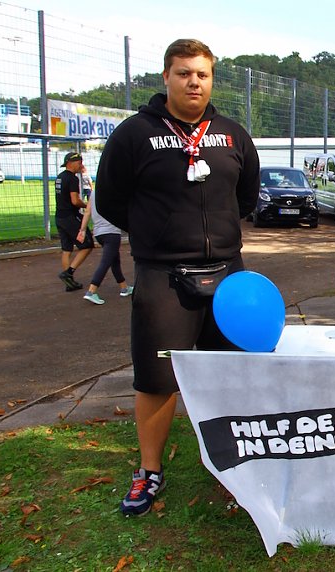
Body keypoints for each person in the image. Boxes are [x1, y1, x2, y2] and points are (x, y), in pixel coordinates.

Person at [95, 39, 260, 517]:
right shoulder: (134, 134)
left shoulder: (231, 134)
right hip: (163, 276)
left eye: (203, 74)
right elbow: (110, 200)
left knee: (234, 372)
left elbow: (245, 197)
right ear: (165, 76)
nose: (194, 82)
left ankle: (237, 467)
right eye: (184, 73)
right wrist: (158, 233)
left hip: (228, 275)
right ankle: (149, 471)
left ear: (212, 80)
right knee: (157, 380)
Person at [76, 182, 133, 305]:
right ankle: (91, 291)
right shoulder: (115, 191)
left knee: (114, 260)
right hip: (111, 232)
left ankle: (124, 287)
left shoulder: (94, 192)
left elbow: (87, 212)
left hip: (99, 233)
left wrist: (82, 230)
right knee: (106, 262)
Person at [55, 152, 94, 292]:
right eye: (79, 162)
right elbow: (75, 200)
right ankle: (68, 273)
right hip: (70, 217)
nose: (81, 165)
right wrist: (87, 206)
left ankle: (69, 282)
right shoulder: (72, 179)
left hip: (59, 217)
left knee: (66, 249)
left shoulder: (59, 177)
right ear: (70, 162)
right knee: (87, 244)